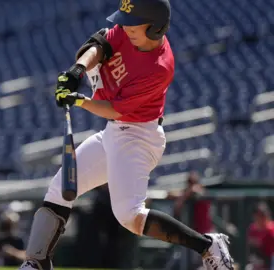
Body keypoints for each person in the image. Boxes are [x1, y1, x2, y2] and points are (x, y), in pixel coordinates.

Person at [18, 0, 234, 269]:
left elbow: (114, 110)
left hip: (138, 137)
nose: (125, 26)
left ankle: (208, 245)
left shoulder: (159, 67)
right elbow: (99, 44)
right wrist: (78, 70)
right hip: (114, 133)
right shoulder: (127, 30)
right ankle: (37, 262)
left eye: (134, 23)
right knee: (59, 189)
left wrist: (79, 100)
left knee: (129, 216)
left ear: (155, 28)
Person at [247, 202, 274, 269]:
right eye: (257, 216)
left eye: (262, 216)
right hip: (257, 260)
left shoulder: (271, 229)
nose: (260, 219)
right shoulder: (252, 229)